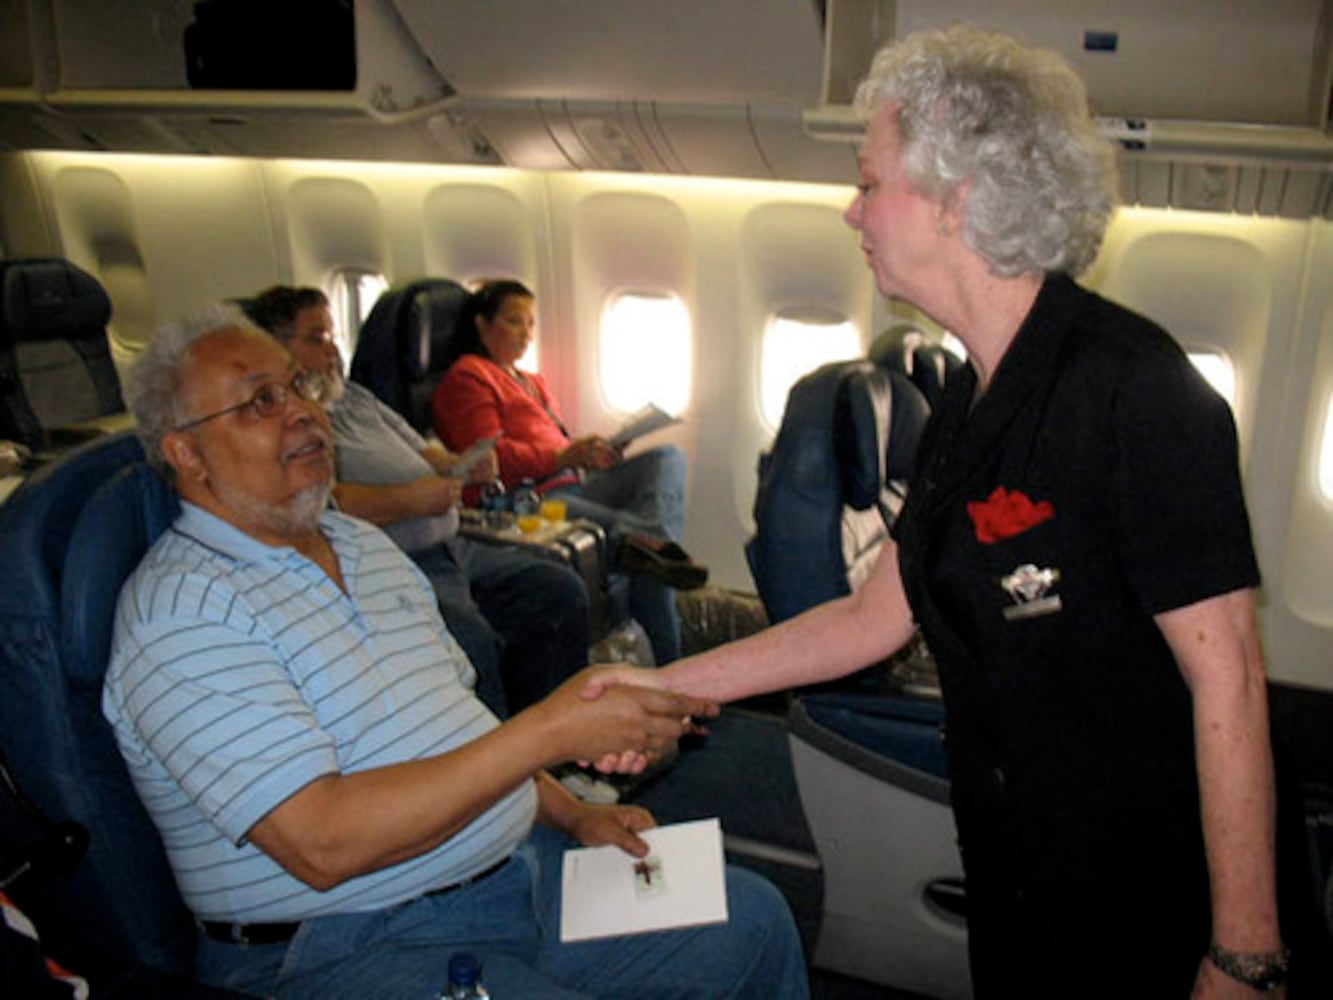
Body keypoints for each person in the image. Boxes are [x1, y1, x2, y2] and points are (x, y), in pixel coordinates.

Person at [594, 24, 1324, 999]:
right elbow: (869, 620)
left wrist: (1244, 955)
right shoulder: (964, 405)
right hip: (1020, 868)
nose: (850, 209)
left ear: (956, 199)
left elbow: (1227, 677)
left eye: (869, 182)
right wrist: (664, 686)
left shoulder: (1133, 391)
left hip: (1151, 887)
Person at [101, 306, 809, 1000]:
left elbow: (456, 730)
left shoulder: (361, 544)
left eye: (297, 386)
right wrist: (551, 730)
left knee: (752, 922)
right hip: (348, 942)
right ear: (186, 452)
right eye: (261, 401)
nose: (303, 413)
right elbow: (323, 845)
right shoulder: (181, 617)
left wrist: (574, 815)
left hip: (513, 875)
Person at [244, 286, 590, 715]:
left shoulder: (353, 397)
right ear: (274, 347)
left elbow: (424, 452)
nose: (333, 350)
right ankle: (501, 756)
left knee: (559, 591)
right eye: (317, 339)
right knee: (472, 644)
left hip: (451, 543)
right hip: (396, 559)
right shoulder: (288, 424)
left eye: (332, 336)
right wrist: (410, 500)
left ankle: (561, 736)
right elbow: (321, 506)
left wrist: (463, 465)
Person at [432, 278, 704, 665]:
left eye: (531, 324)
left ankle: (649, 541)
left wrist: (591, 453)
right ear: (481, 324)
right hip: (530, 499)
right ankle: (652, 559)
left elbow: (555, 445)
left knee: (668, 458)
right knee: (649, 568)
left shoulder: (531, 382)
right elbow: (490, 459)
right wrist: (564, 457)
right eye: (514, 321)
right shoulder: (468, 377)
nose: (526, 334)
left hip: (576, 482)